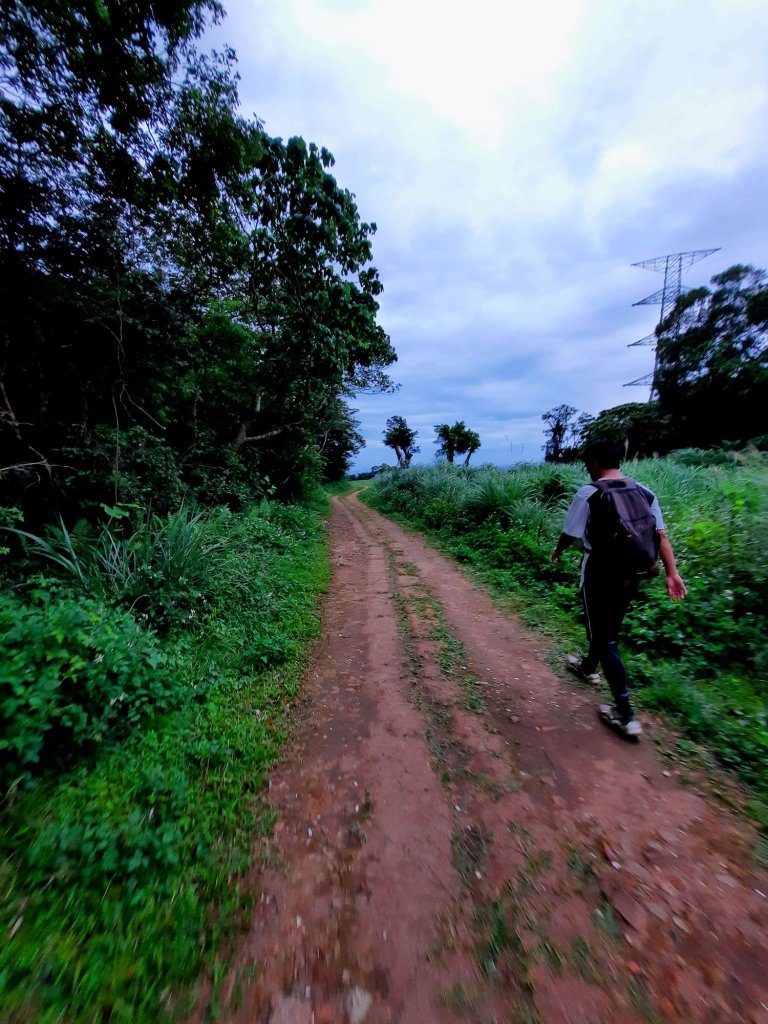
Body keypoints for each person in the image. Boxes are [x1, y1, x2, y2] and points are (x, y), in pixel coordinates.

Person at [551, 439, 687, 737]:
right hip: (632, 574)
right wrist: (672, 573)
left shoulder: (589, 493)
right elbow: (661, 535)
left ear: (596, 462)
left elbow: (570, 533)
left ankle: (625, 714)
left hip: (598, 573)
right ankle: (588, 667)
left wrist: (558, 551)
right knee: (607, 628)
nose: (586, 467)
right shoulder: (644, 491)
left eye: (587, 461)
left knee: (603, 638)